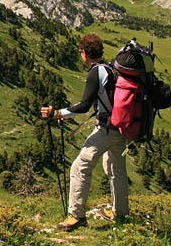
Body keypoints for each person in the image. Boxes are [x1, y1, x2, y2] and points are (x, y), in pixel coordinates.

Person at [41, 33, 128, 232]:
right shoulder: (111, 69)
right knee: (116, 171)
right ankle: (121, 213)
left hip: (107, 129)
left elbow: (83, 106)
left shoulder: (95, 72)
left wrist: (57, 113)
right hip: (122, 128)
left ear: (84, 53)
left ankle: (76, 216)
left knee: (79, 167)